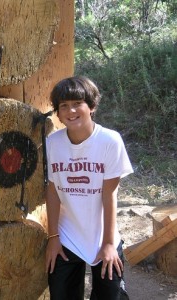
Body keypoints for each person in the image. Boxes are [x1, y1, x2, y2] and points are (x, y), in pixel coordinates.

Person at [45, 76, 134, 300]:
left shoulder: (109, 141)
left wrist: (109, 244)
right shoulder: (53, 143)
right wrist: (53, 237)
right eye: (64, 105)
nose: (70, 110)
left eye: (77, 103)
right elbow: (53, 190)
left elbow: (109, 194)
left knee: (111, 296)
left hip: (102, 236)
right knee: (61, 294)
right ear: (57, 112)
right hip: (67, 236)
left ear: (91, 106)